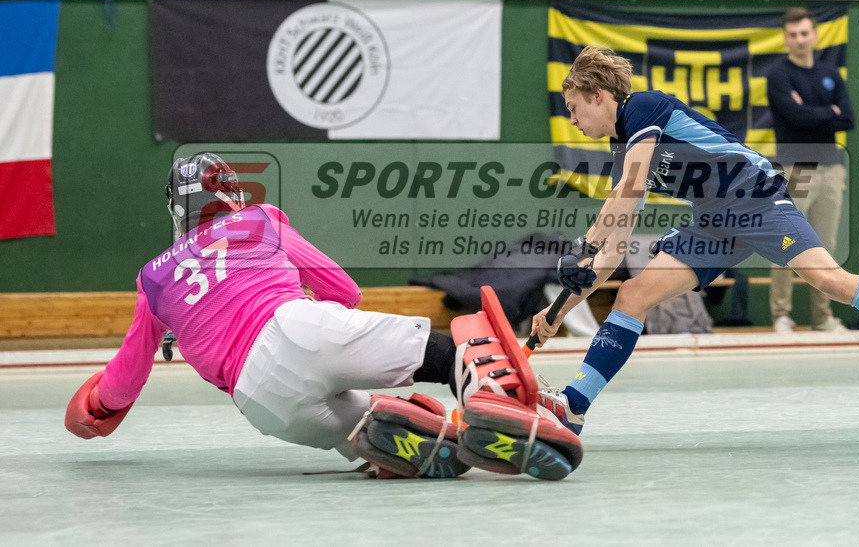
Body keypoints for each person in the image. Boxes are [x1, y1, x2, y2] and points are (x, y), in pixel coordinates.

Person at [531, 45, 859, 435]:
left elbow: (625, 197)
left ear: (598, 95)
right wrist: (560, 312)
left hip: (756, 199)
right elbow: (614, 249)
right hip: (712, 221)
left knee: (829, 281)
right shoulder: (626, 148)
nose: (572, 119)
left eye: (574, 108)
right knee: (631, 294)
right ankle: (574, 406)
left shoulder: (643, 108)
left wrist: (583, 248)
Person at [64, 152, 579, 480]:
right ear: (233, 194)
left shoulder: (153, 277)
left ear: (178, 210)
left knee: (375, 425)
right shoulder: (258, 219)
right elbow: (345, 290)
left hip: (261, 401)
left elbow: (123, 383)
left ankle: (408, 442)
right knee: (445, 354)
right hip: (298, 329)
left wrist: (92, 409)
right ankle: (503, 406)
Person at [766, 7, 854, 333]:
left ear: (815, 35)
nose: (800, 40)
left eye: (805, 33)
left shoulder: (830, 73)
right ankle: (781, 316)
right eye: (793, 34)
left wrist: (809, 110)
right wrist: (826, 111)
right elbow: (794, 116)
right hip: (794, 169)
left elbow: (848, 119)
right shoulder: (779, 76)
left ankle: (823, 317)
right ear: (786, 38)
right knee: (787, 243)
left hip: (832, 170)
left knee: (826, 246)